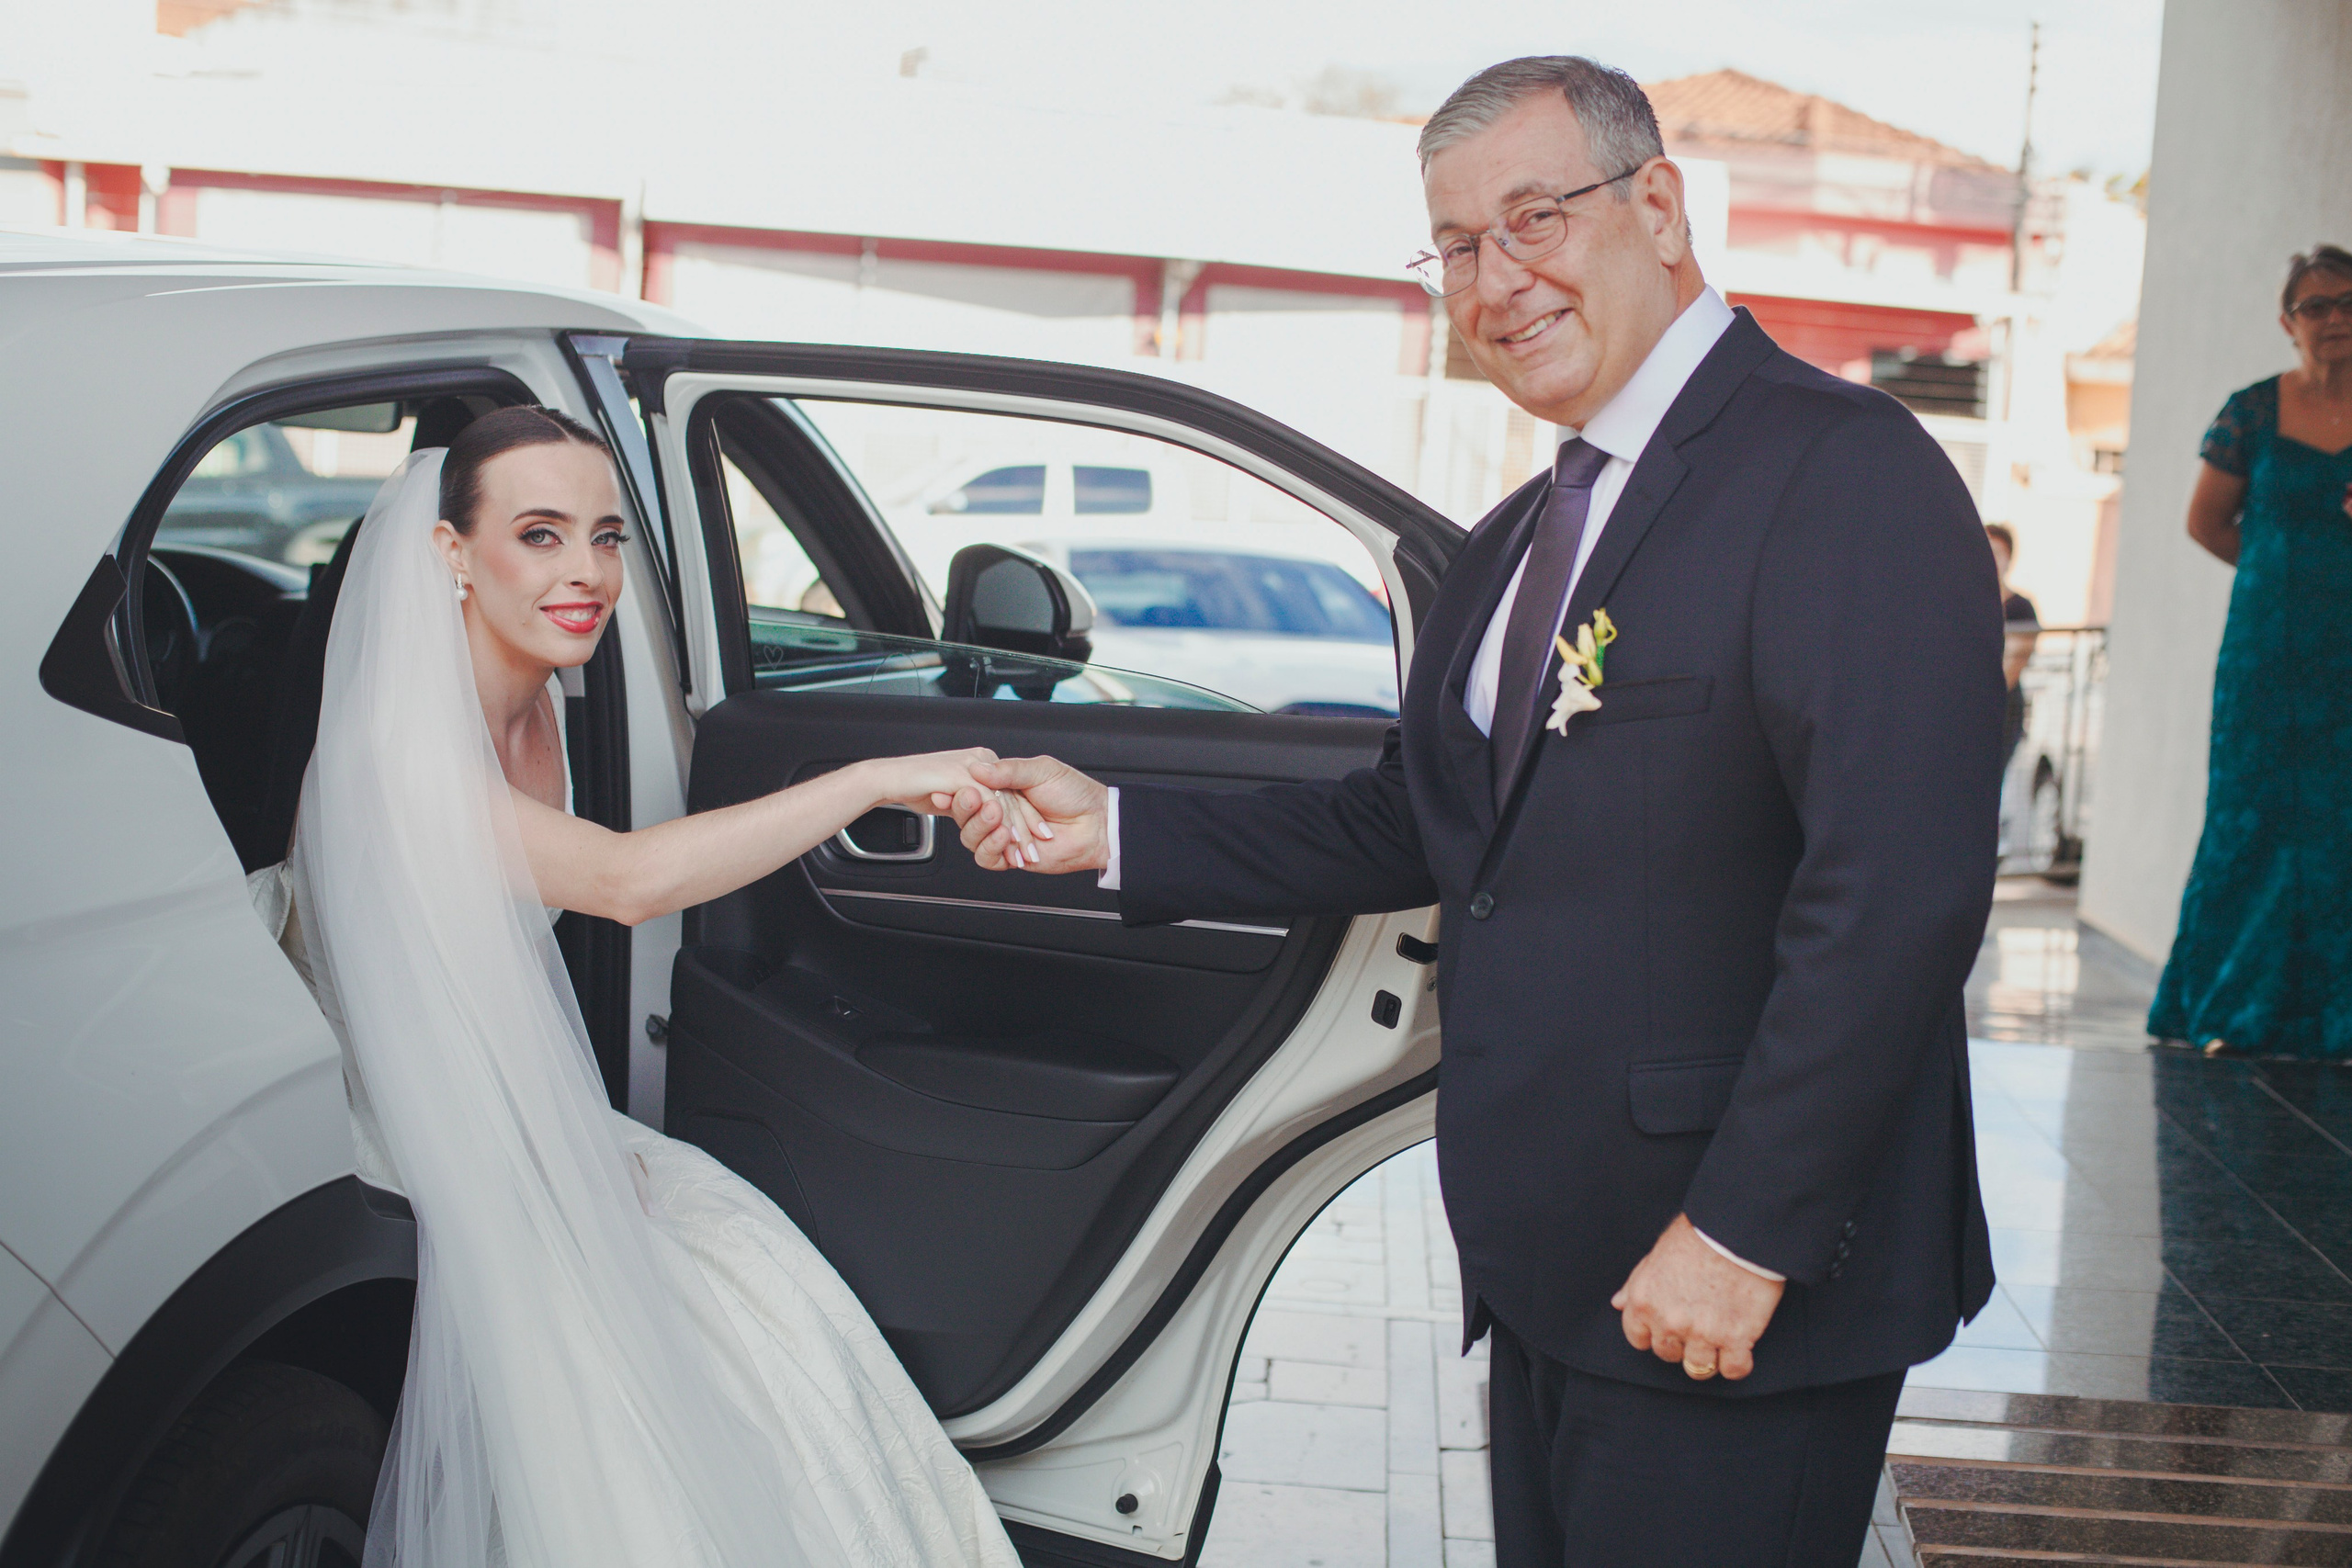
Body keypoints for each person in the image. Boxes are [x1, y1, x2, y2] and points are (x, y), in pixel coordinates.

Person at [950, 56, 2003, 1568]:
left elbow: (1896, 884)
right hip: (1555, 1263)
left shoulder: (1842, 470)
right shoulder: (1521, 534)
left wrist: (1744, 1232)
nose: (1494, 278)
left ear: (1656, 208)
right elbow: (1415, 822)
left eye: (1533, 219)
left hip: (1734, 1279)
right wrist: (1111, 824)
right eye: (1454, 245)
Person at [250, 405, 1020, 1568]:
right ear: (451, 553)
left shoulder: (539, 693)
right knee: (675, 1360)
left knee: (752, 1288)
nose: (586, 574)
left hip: (493, 1092)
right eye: (541, 534)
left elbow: (492, 971)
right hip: (405, 1120)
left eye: (605, 538)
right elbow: (622, 881)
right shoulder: (400, 754)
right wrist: (868, 776)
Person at [2151, 243, 2352, 1060]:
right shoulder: (2252, 410)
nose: (2336, 318)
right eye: (2318, 305)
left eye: (2349, 302)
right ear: (2287, 321)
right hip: (2265, 653)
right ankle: (2233, 1004)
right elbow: (2206, 522)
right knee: (2253, 818)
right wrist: (2281, 573)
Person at [1985, 523, 2041, 774]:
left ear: (2009, 559)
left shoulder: (2020, 608)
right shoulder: (1965, 604)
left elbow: (2011, 668)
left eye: (1997, 553)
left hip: (2001, 712)